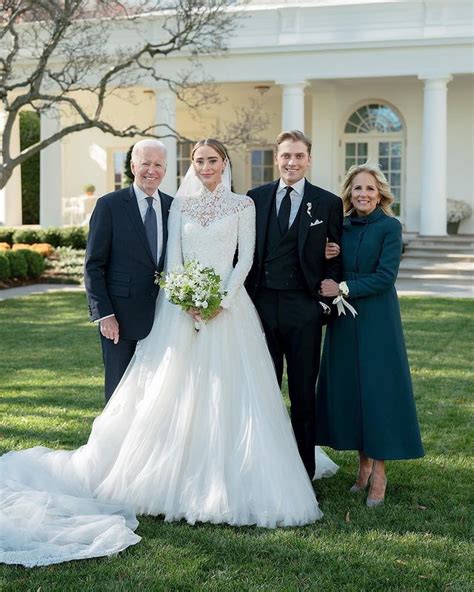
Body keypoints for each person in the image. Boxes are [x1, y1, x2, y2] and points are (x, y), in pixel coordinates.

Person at [0, 139, 338, 568]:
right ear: (191, 164)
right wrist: (186, 297)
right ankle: (164, 480)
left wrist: (222, 300)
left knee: (236, 397)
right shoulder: (179, 205)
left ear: (224, 164)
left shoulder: (242, 206)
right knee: (170, 394)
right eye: (198, 160)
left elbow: (246, 259)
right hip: (181, 311)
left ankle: (235, 480)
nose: (206, 166)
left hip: (229, 313)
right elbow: (173, 258)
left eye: (213, 160)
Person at [316, 162, 424, 507]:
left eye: (370, 189)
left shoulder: (390, 227)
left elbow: (385, 276)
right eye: (357, 188)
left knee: (377, 393)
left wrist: (343, 286)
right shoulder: (341, 226)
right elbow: (328, 270)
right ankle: (362, 466)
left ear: (380, 195)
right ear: (349, 192)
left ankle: (379, 474)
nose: (363, 194)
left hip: (377, 320)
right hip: (344, 323)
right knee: (352, 392)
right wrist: (327, 256)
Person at [245, 130, 343, 480]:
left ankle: (303, 472)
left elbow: (336, 256)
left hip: (303, 310)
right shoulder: (253, 199)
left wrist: (321, 305)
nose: (292, 162)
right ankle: (262, 470)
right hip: (259, 308)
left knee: (303, 396)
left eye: (299, 155)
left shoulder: (328, 202)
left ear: (309, 159)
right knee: (263, 392)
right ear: (277, 158)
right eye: (286, 155)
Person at [84, 139, 173, 402]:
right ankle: (114, 443)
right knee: (119, 392)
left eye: (158, 164)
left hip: (162, 317)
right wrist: (105, 315)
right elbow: (93, 265)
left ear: (165, 170)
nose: (151, 170)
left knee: (156, 395)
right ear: (133, 165)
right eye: (145, 163)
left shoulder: (173, 207)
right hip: (119, 319)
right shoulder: (109, 205)